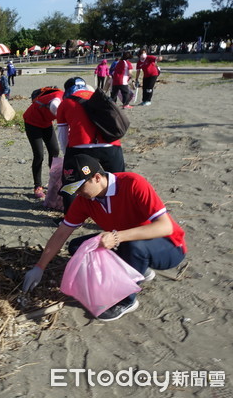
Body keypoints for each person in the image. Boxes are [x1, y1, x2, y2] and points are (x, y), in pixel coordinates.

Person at [23, 154, 187, 321]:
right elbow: (62, 232)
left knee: (135, 247)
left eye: (80, 187)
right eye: (74, 189)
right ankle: (140, 269)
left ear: (97, 177)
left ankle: (126, 301)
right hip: (127, 240)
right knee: (78, 246)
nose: (78, 193)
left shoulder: (132, 183)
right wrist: (40, 266)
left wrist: (117, 236)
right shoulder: (85, 200)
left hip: (169, 247)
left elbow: (165, 227)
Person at [57, 77, 125, 213]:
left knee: (71, 184)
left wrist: (68, 155)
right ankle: (118, 214)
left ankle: (70, 217)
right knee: (117, 182)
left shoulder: (65, 103)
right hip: (110, 146)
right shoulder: (101, 98)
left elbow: (62, 135)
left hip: (79, 146)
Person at [22, 87, 64, 199]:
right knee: (39, 155)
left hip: (46, 122)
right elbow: (61, 120)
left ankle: (54, 181)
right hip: (32, 122)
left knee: (55, 151)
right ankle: (37, 186)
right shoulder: (58, 99)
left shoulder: (70, 101)